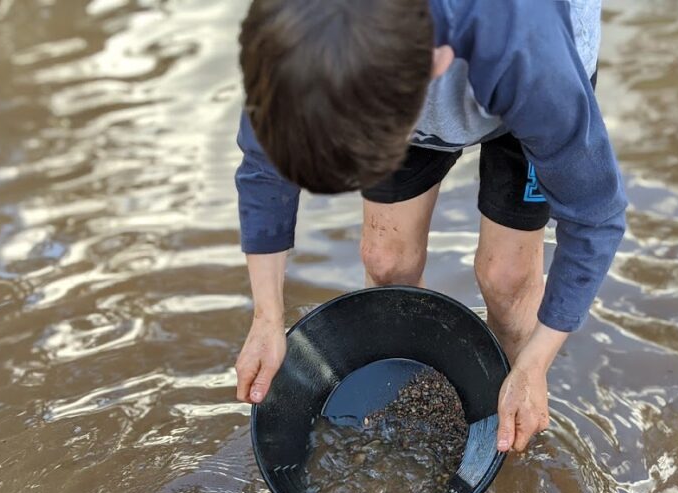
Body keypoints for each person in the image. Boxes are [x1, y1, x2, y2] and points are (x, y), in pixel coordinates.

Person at [234, 0, 626, 453]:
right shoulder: (296, 39)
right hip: (395, 71)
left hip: (526, 71)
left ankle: (509, 422)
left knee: (507, 279)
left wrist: (536, 363)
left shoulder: (528, 54)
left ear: (437, 61)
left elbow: (596, 217)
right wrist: (267, 316)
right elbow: (264, 166)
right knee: (385, 262)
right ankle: (411, 417)